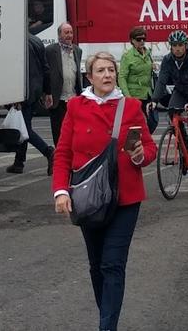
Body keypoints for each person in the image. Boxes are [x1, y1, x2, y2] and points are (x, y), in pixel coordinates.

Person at [52, 50, 156, 331]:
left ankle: (106, 327)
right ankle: (107, 318)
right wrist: (61, 190)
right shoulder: (76, 107)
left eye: (111, 70)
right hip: (88, 197)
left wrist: (138, 155)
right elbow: (62, 153)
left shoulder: (131, 106)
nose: (107, 75)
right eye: (101, 71)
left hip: (125, 198)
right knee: (97, 266)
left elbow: (149, 149)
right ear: (89, 77)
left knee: (113, 265)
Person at [152, 28, 188, 189]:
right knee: (172, 111)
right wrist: (154, 100)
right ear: (170, 47)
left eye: (180, 45)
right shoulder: (167, 60)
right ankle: (185, 142)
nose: (177, 48)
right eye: (174, 45)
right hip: (180, 91)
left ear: (185, 45)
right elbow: (161, 81)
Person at [7, 31, 55, 175]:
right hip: (34, 90)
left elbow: (19, 70)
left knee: (25, 129)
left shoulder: (18, 43)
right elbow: (45, 69)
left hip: (23, 92)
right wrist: (47, 91)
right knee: (24, 125)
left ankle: (49, 152)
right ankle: (19, 162)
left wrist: (16, 95)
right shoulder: (36, 40)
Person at [46, 22, 83, 145]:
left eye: (71, 32)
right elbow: (45, 73)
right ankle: (58, 160)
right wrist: (47, 93)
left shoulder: (77, 50)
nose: (69, 35)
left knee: (74, 131)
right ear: (59, 35)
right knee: (59, 133)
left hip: (73, 98)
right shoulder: (51, 50)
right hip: (58, 99)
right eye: (66, 32)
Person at [120, 26, 155, 119]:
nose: (142, 41)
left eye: (144, 39)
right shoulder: (127, 56)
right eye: (139, 39)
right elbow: (122, 77)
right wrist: (128, 97)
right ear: (132, 40)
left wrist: (152, 67)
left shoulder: (147, 53)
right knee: (139, 121)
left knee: (153, 120)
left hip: (147, 93)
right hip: (134, 95)